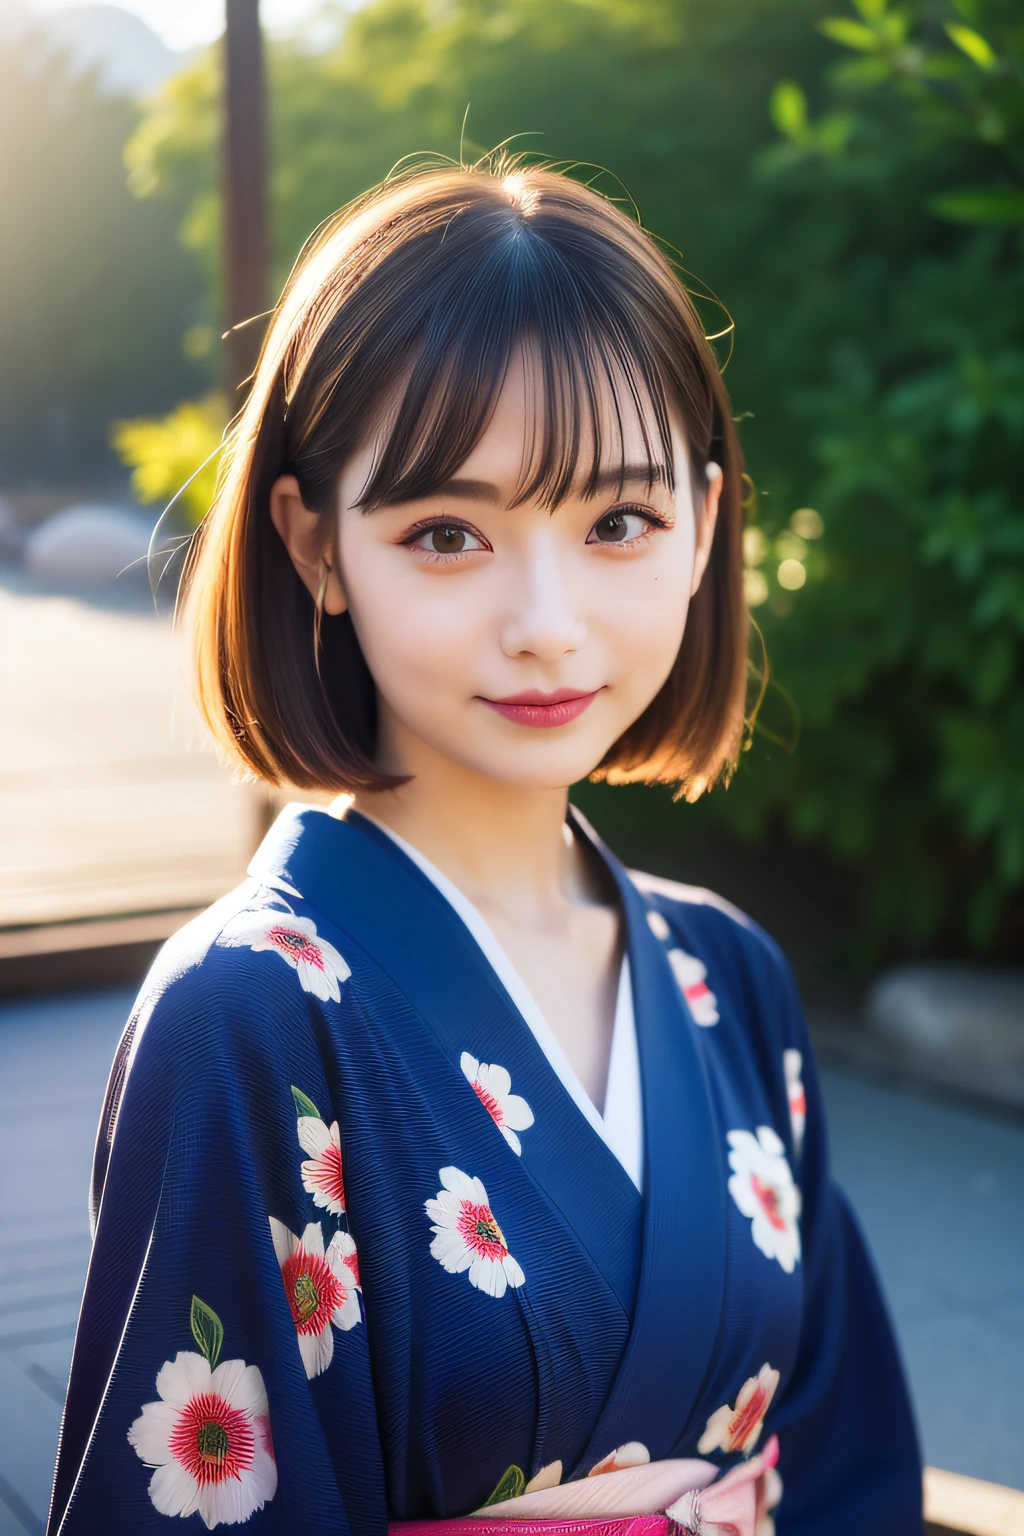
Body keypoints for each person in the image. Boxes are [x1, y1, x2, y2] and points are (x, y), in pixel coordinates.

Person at [47, 159, 922, 1536]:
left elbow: (847, 1460)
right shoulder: (245, 1020)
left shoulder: (728, 975)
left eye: (618, 522)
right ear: (316, 544)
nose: (548, 620)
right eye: (449, 532)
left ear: (701, 526)